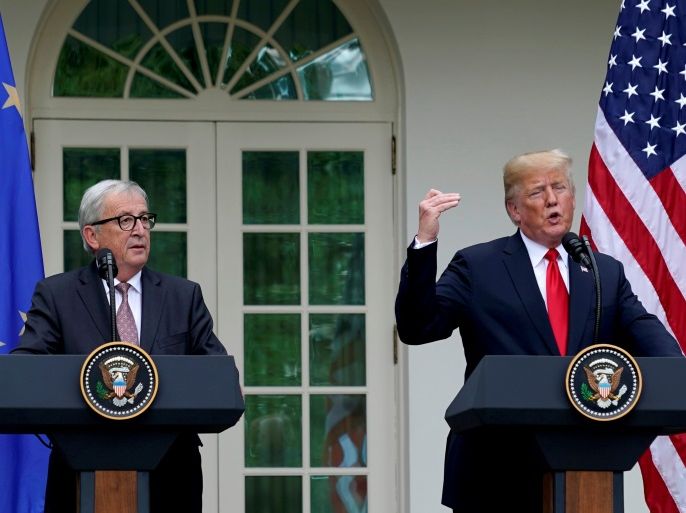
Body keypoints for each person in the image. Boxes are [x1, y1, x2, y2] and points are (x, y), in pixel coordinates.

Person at [395, 149, 682, 513]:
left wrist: (677, 378)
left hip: (586, 466)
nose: (552, 200)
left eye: (560, 188)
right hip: (497, 473)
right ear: (514, 210)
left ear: (572, 198)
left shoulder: (602, 273)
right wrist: (425, 241)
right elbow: (418, 327)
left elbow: (652, 341)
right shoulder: (478, 266)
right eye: (537, 192)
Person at [13, 179, 228, 513]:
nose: (140, 230)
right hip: (80, 474)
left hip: (171, 476)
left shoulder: (183, 297)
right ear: (92, 235)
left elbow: (215, 379)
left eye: (145, 219)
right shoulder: (57, 296)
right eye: (125, 220)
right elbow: (25, 372)